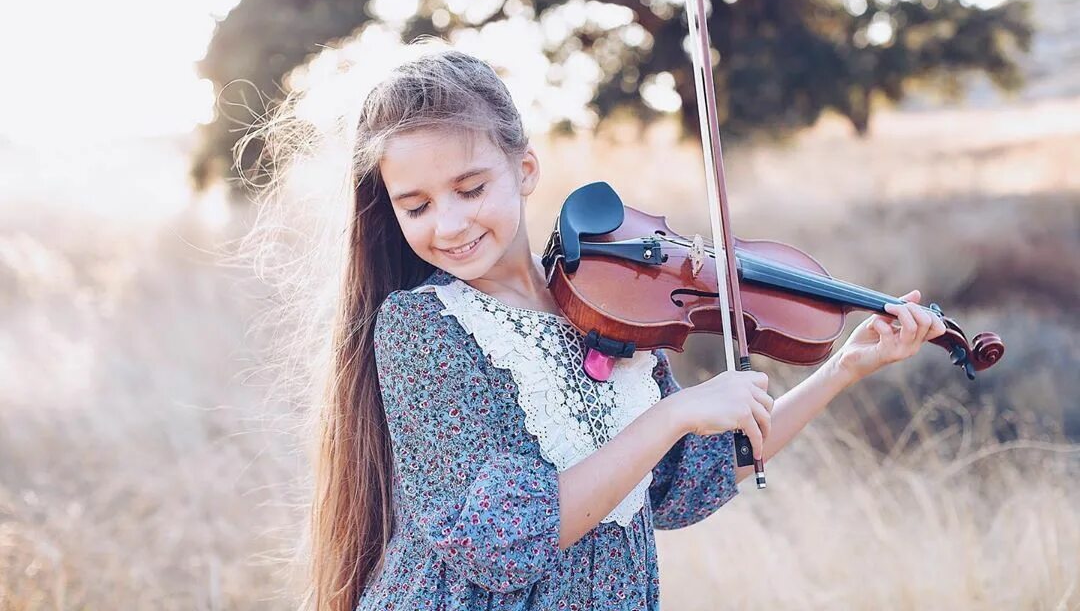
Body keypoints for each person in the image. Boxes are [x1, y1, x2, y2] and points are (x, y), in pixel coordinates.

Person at [304, 42, 947, 610]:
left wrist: (845, 368)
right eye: (415, 205)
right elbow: (502, 542)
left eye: (470, 189)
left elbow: (690, 478)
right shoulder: (423, 328)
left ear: (524, 170)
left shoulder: (612, 303)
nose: (448, 224)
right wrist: (674, 415)